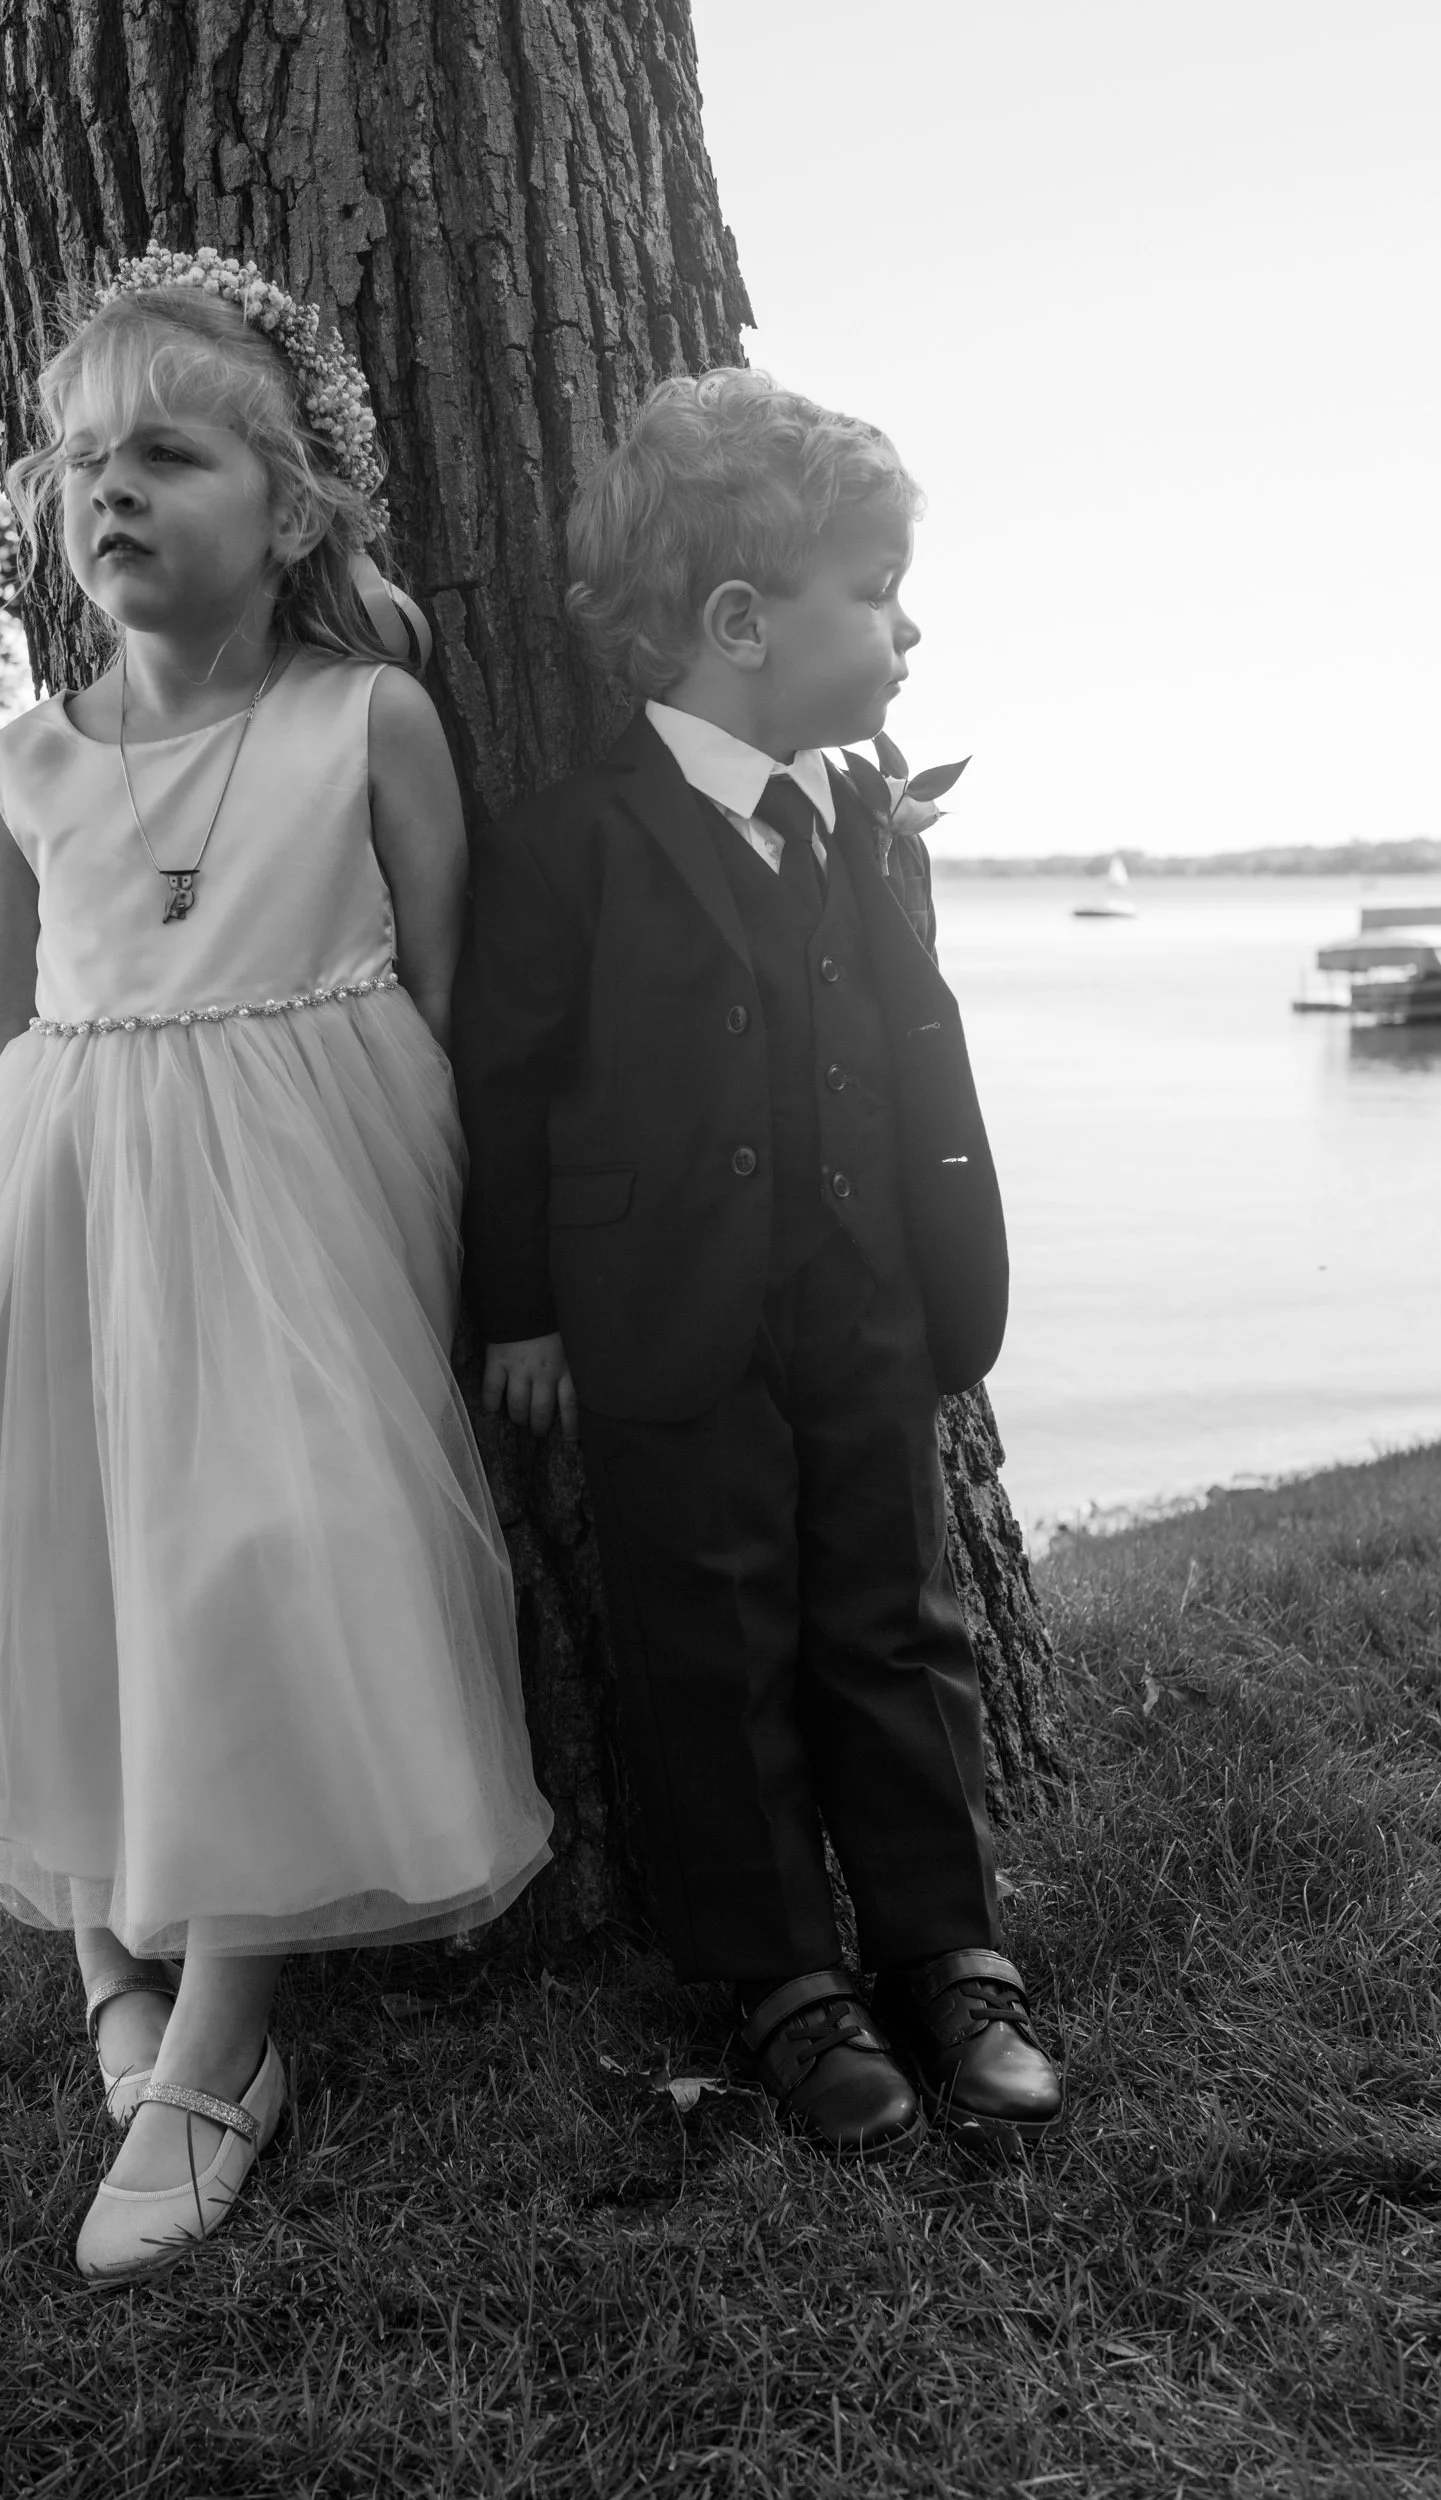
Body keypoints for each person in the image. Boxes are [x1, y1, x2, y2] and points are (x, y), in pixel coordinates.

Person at [0, 249, 553, 2281]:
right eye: (78, 458)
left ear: (285, 510)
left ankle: (217, 2044)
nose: (108, 490)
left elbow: (447, 1004)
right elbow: (12, 1029)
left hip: (307, 1214)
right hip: (79, 1206)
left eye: (169, 455)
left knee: (258, 1566)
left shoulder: (362, 719)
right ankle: (112, 1969)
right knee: (45, 1565)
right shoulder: (24, 766)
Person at [452, 369, 1062, 2155]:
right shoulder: (568, 845)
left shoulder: (854, 819)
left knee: (901, 1619)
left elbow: (905, 1034)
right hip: (664, 1325)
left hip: (867, 1296)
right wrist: (526, 1308)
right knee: (705, 1645)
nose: (906, 623)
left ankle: (950, 1951)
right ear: (737, 623)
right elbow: (504, 1090)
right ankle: (785, 1978)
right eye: (872, 592)